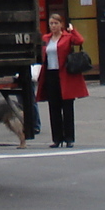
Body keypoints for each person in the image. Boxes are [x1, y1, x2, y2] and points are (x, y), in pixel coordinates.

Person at [36, 12, 89, 147]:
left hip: (65, 76)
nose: (53, 26)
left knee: (67, 108)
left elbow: (80, 41)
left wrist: (73, 30)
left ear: (61, 25)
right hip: (50, 75)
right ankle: (57, 139)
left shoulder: (68, 37)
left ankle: (69, 138)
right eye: (51, 24)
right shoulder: (46, 38)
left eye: (56, 23)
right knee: (54, 108)